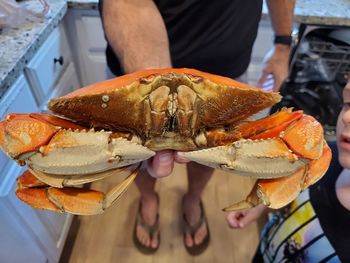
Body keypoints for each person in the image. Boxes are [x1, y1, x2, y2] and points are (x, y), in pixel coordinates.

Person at [99, 0, 295, 254]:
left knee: (209, 152)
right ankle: (148, 199)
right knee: (141, 153)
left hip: (226, 69)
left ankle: (193, 198)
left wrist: (283, 42)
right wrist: (159, 95)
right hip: (140, 66)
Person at [226, 78, 350, 262]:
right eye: (347, 102)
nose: (346, 117)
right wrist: (262, 203)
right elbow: (294, 183)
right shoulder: (322, 153)